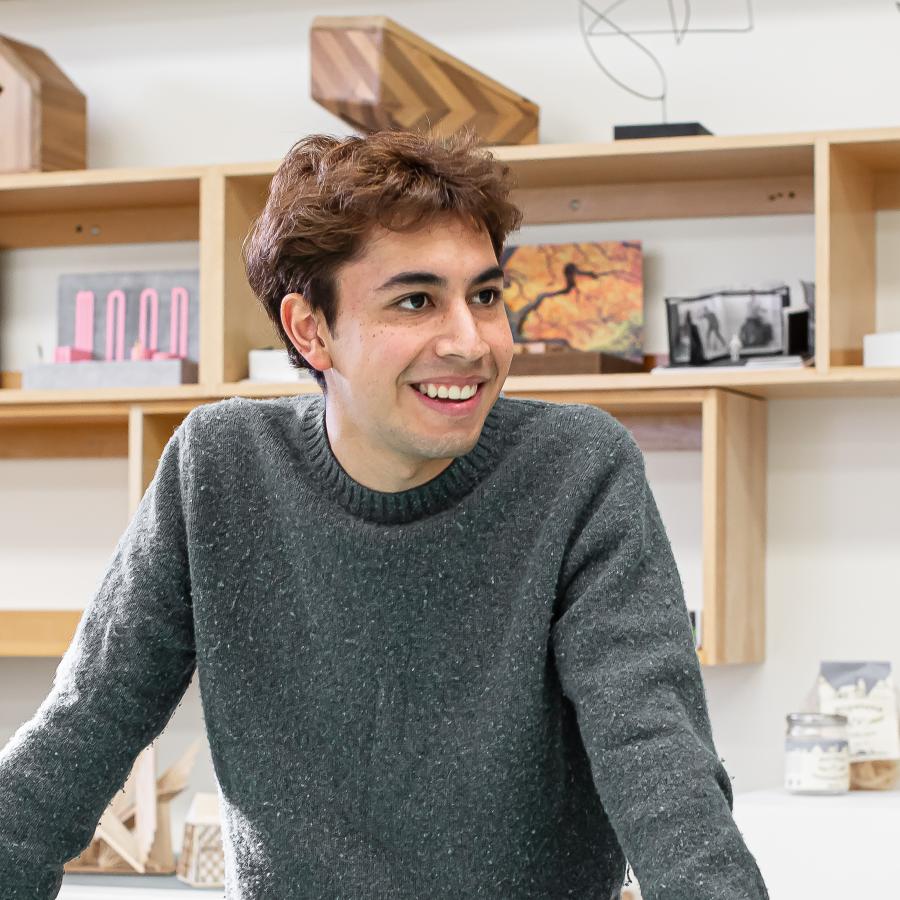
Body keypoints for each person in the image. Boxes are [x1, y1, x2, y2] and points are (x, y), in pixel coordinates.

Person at [0, 129, 769, 899]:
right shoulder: (220, 467)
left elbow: (659, 761)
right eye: (415, 301)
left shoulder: (579, 468)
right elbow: (75, 739)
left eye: (487, 296)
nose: (470, 342)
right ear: (311, 330)